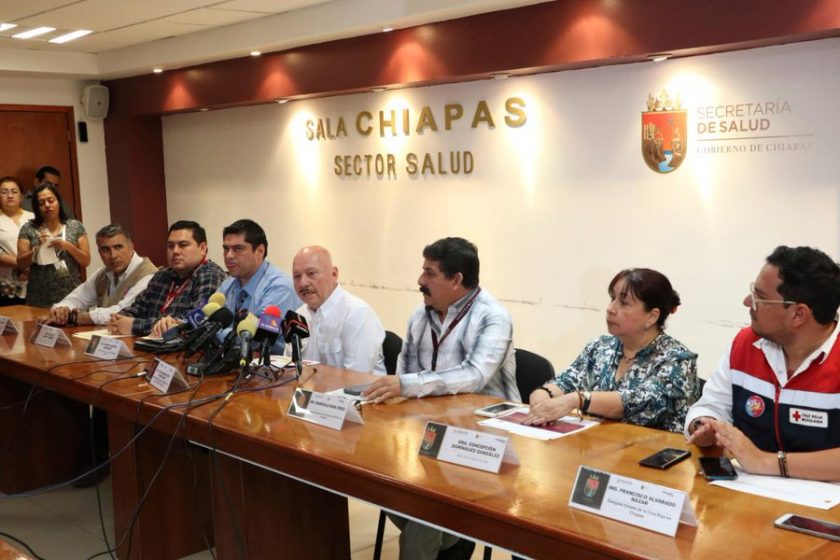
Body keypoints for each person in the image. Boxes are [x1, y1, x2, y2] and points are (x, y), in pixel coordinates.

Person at [364, 237, 519, 560]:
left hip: (481, 441)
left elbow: (474, 375)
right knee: (376, 474)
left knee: (422, 516)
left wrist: (407, 386)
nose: (420, 280)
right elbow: (403, 373)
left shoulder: (493, 317)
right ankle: (453, 536)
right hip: (427, 434)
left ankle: (450, 532)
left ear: (456, 280)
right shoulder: (420, 316)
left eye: (429, 273)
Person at [686, 246, 840, 482]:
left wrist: (765, 462)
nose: (747, 301)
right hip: (747, 492)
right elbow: (711, 406)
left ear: (798, 314)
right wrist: (705, 425)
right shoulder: (745, 344)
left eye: (760, 297)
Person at [523, 268, 698, 433]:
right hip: (597, 445)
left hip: (652, 451)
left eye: (624, 303)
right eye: (612, 298)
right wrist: (543, 395)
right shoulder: (600, 346)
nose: (610, 308)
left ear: (651, 316)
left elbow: (642, 402)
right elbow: (566, 381)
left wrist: (578, 399)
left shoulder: (678, 359)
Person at [108, 220, 225, 336]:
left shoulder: (210, 275)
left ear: (202, 248)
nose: (175, 251)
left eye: (183, 245)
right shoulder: (162, 275)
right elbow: (138, 307)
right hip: (149, 343)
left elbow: (190, 324)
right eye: (170, 246)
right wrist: (119, 320)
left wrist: (134, 326)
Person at [39, 224, 158, 326]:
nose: (113, 255)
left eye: (118, 247)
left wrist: (74, 318)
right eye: (105, 249)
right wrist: (61, 311)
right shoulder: (103, 274)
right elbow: (76, 298)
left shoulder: (149, 275)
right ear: (99, 252)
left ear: (131, 247)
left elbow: (120, 313)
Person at [292, 245, 385, 373]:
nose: (303, 283)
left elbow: (356, 379)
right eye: (297, 276)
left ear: (334, 274)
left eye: (311, 274)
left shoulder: (357, 314)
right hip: (308, 386)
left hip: (354, 386)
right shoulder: (298, 317)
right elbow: (290, 370)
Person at [216, 219, 300, 351]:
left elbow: (253, 341)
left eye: (238, 248)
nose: (229, 255)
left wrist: (215, 333)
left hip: (270, 362)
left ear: (260, 251)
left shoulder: (280, 287)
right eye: (226, 249)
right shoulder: (229, 283)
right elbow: (206, 323)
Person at [16, 183, 90, 307]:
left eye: (51, 200)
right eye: (41, 203)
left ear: (58, 202)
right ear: (36, 207)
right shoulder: (28, 228)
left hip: (71, 295)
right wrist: (36, 249)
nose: (47, 205)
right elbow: (21, 263)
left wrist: (68, 246)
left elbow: (86, 261)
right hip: (39, 296)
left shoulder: (75, 226)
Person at [0, 177, 34, 306]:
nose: (10, 196)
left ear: (21, 196)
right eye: (4, 192)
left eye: (14, 191)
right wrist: (23, 265)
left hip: (36, 282)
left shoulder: (33, 218)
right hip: (6, 286)